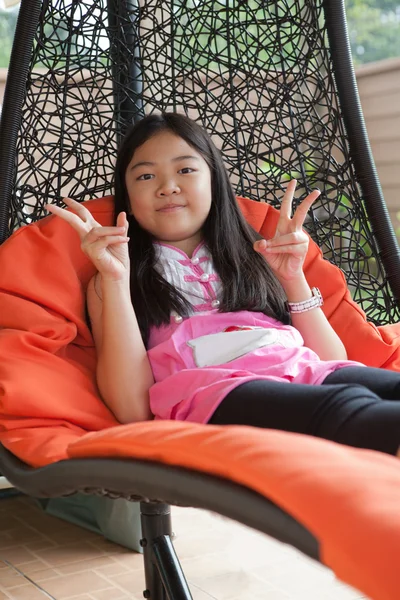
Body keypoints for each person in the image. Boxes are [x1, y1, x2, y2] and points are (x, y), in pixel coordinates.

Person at [46, 112, 400, 459]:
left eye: (185, 170)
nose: (168, 186)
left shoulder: (257, 255)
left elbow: (331, 362)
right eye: (146, 176)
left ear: (214, 182)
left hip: (302, 371)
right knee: (346, 410)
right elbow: (131, 408)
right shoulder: (115, 278)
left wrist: (293, 279)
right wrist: (115, 279)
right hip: (216, 392)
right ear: (128, 201)